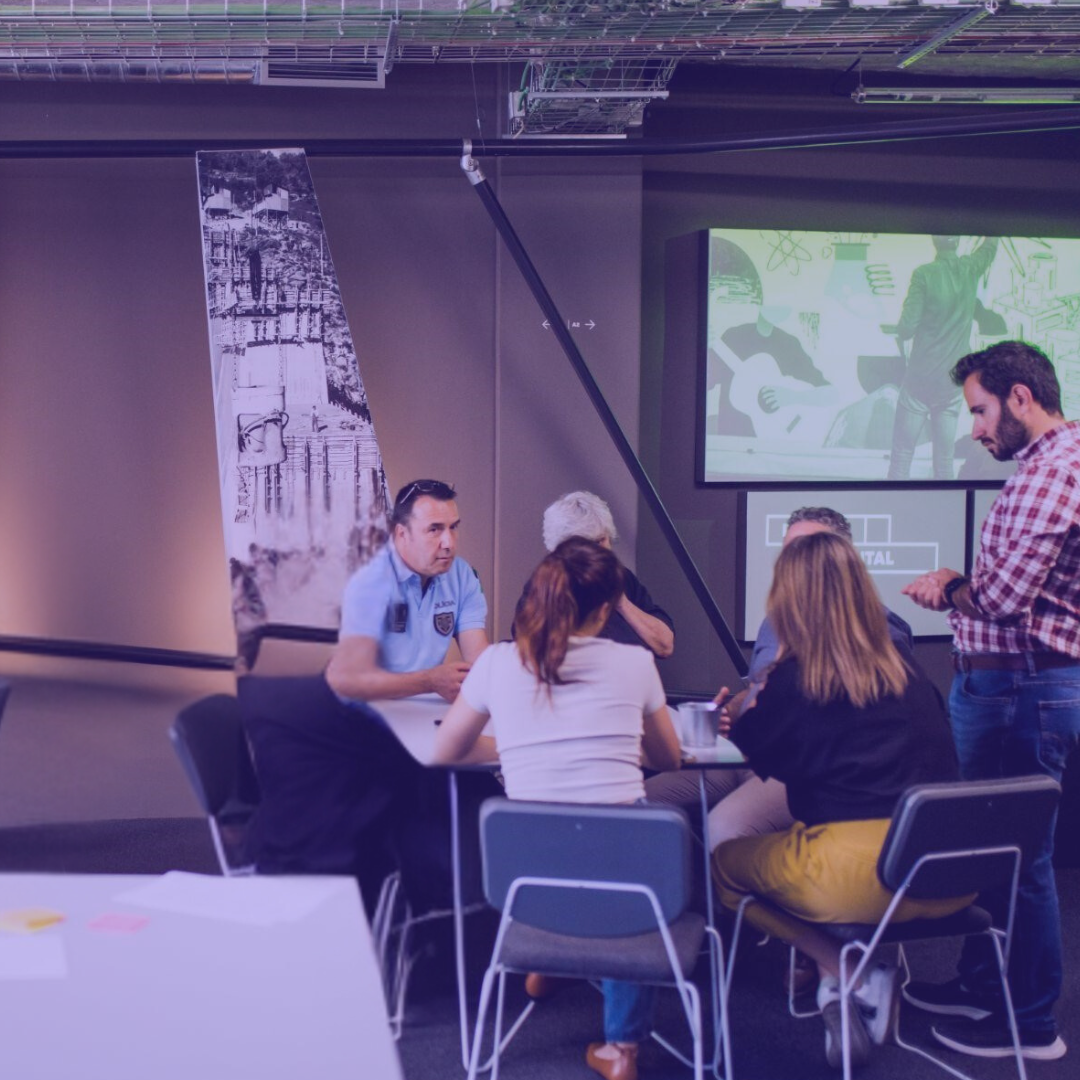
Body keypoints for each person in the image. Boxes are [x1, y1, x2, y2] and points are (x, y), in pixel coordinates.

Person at [712, 531, 969, 1069]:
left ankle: (843, 968)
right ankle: (864, 974)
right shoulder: (913, 676)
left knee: (724, 866)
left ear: (789, 598)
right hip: (947, 877)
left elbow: (760, 756)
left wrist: (738, 712)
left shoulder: (794, 679)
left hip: (854, 878)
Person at [433, 537, 682, 1080]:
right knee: (629, 861)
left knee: (567, 852)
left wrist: (519, 744)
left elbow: (445, 751)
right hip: (624, 893)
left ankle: (548, 962)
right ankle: (623, 1052)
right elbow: (670, 758)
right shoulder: (636, 662)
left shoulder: (498, 661)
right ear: (602, 610)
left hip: (529, 893)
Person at [902, 340, 1079, 1062]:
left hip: (1022, 690)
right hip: (1011, 687)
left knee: (1020, 855)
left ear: (1021, 398)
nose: (975, 429)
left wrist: (947, 587)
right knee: (995, 847)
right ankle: (985, 983)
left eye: (979, 410)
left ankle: (1031, 1025)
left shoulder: (1054, 469)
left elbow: (1004, 598)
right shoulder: (1045, 466)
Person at [645, 507, 914, 858]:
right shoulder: (775, 622)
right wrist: (729, 710)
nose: (793, 563)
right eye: (788, 551)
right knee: (642, 801)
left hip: (798, 771)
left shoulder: (879, 631)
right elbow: (762, 688)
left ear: (842, 557)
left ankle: (730, 904)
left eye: (806, 550)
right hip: (742, 756)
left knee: (726, 827)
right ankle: (681, 895)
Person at [327, 478, 489, 703]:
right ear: (402, 534)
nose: (449, 543)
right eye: (435, 529)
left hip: (426, 710)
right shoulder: (370, 580)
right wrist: (429, 681)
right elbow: (344, 680)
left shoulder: (462, 575)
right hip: (367, 712)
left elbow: (479, 663)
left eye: (453, 527)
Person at [886, 235, 999, 480]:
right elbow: (989, 249)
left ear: (934, 241)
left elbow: (906, 328)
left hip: (920, 378)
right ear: (957, 241)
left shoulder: (924, 274)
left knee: (902, 456)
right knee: (945, 461)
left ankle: (896, 512)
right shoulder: (970, 268)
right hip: (952, 381)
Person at [534, 491, 674, 657]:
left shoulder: (623, 578)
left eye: (601, 540)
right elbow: (535, 653)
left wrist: (621, 602)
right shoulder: (546, 585)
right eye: (586, 545)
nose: (597, 552)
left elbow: (665, 646)